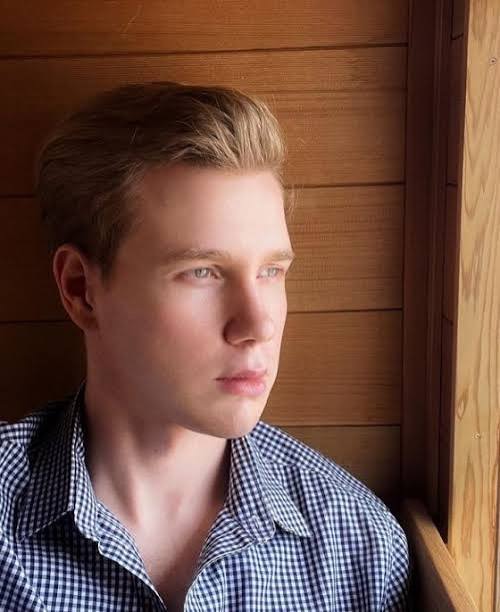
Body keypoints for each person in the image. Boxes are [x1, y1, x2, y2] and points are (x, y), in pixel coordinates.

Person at [0, 81, 411, 611]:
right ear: (81, 290)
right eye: (202, 272)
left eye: (271, 271)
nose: (258, 324)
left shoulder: (359, 553)